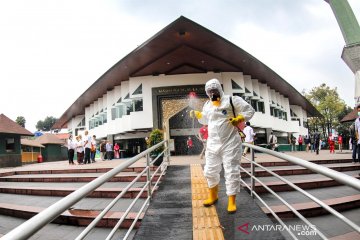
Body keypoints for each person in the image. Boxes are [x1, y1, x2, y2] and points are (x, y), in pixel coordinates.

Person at [190, 78, 255, 213]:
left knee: (231, 171)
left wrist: (240, 118)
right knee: (209, 170)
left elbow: (249, 110)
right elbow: (206, 120)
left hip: (230, 142)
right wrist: (198, 115)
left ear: (219, 89)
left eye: (214, 90)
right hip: (213, 143)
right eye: (209, 91)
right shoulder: (208, 104)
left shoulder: (232, 100)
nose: (212, 93)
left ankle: (231, 201)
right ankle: (213, 196)